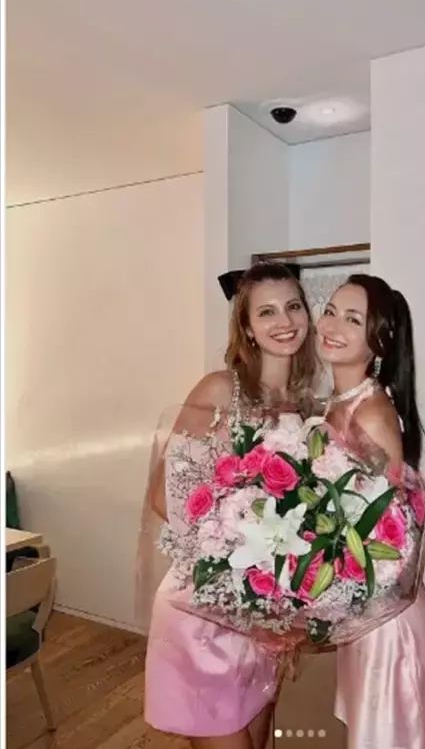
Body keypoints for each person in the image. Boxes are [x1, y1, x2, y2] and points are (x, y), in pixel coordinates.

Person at [142, 261, 317, 749]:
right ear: (247, 327)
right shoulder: (221, 389)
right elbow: (163, 497)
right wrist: (236, 548)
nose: (284, 321)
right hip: (203, 612)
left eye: (293, 306)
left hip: (259, 613)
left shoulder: (303, 404)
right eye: (267, 312)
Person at [317, 274, 425, 749]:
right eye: (330, 311)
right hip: (368, 617)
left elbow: (394, 536)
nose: (332, 325)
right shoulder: (340, 403)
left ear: (379, 343)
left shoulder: (370, 413)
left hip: (391, 632)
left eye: (353, 319)